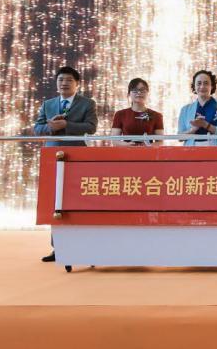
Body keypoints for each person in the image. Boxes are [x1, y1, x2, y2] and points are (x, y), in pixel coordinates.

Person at [33, 65, 98, 262]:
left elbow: (91, 127)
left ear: (77, 84)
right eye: (61, 80)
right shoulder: (48, 104)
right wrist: (51, 127)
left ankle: (81, 245)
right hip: (53, 158)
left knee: (79, 201)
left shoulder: (87, 103)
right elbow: (37, 128)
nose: (64, 83)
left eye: (69, 80)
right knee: (56, 203)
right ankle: (58, 248)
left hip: (77, 158)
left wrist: (67, 125)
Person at [177, 69, 217, 146]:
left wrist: (206, 125)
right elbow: (179, 137)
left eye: (206, 83)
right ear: (194, 86)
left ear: (212, 86)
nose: (202, 86)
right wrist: (193, 129)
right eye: (199, 83)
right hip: (191, 150)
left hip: (214, 149)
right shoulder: (185, 109)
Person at [109, 78, 165, 145]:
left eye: (142, 90)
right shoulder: (120, 114)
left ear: (147, 93)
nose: (139, 93)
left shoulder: (157, 116)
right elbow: (115, 141)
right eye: (135, 90)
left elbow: (160, 142)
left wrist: (148, 146)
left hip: (149, 151)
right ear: (129, 94)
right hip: (127, 150)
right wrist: (127, 145)